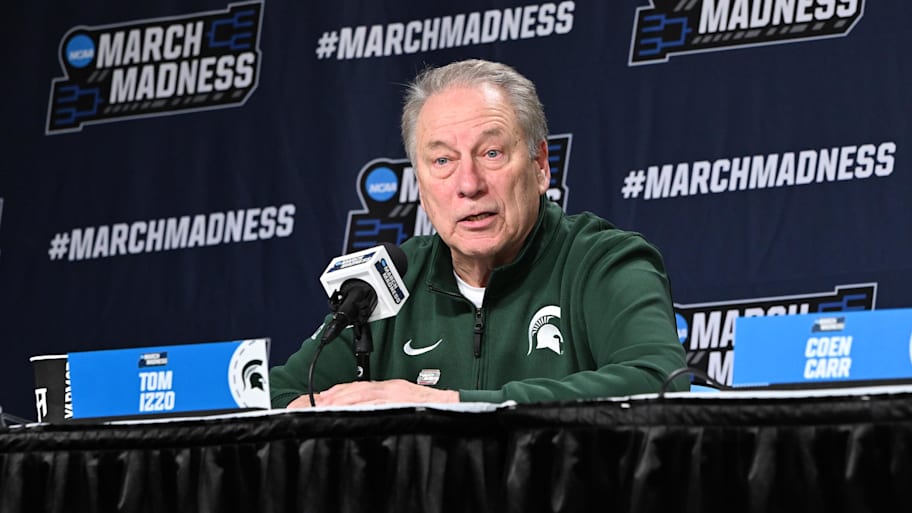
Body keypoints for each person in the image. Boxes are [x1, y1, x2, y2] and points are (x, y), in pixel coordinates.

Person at [270, 59, 688, 408]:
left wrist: (447, 404)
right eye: (442, 161)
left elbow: (658, 382)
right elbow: (276, 393)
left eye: (491, 153)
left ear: (541, 165)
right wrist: (314, 409)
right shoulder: (388, 283)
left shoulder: (604, 263)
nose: (468, 184)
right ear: (420, 185)